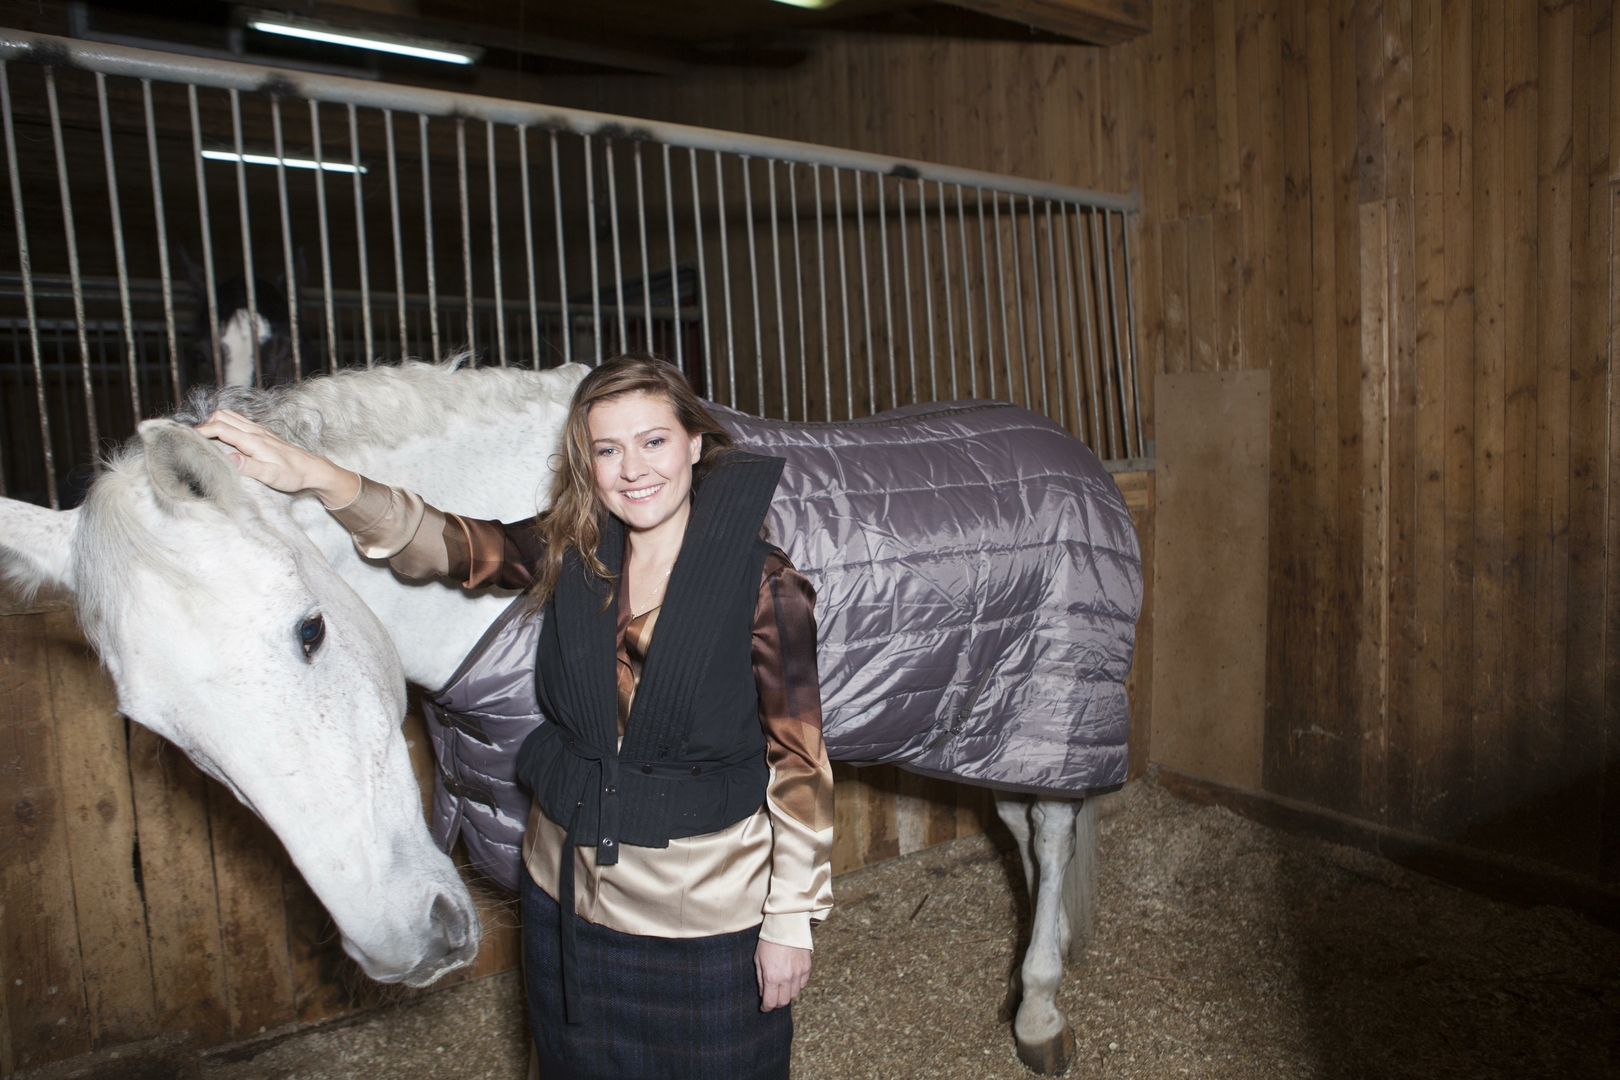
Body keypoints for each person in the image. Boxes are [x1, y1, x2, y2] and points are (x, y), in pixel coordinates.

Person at [199, 356, 834, 1080]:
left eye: (653, 441)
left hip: (702, 917)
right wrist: (316, 474)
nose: (632, 469)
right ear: (586, 462)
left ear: (694, 443)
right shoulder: (572, 548)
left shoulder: (766, 583)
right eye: (607, 449)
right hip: (562, 900)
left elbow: (799, 759)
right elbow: (451, 543)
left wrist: (789, 920)